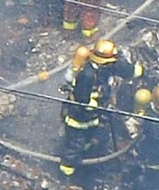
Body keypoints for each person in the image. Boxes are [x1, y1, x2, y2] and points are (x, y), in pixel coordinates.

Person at [60, 38, 143, 176]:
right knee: (76, 144)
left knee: (93, 136)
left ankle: (87, 152)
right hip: (79, 117)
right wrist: (96, 105)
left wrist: (141, 72)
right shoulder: (87, 75)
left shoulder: (104, 68)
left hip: (94, 115)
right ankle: (66, 171)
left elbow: (122, 69)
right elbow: (82, 99)